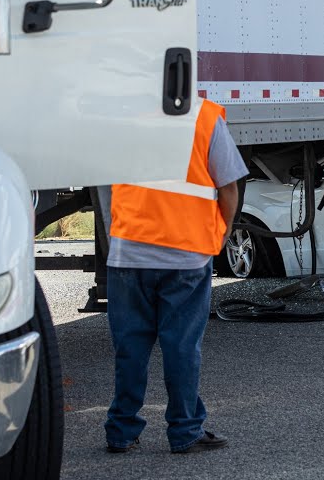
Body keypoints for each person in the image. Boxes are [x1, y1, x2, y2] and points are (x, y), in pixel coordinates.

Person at [101, 97, 249, 454]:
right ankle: (184, 431)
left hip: (129, 253)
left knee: (130, 346)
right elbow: (228, 186)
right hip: (187, 254)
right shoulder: (204, 116)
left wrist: (117, 239)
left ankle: (121, 430)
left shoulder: (120, 115)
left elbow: (105, 187)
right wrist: (222, 235)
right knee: (181, 346)